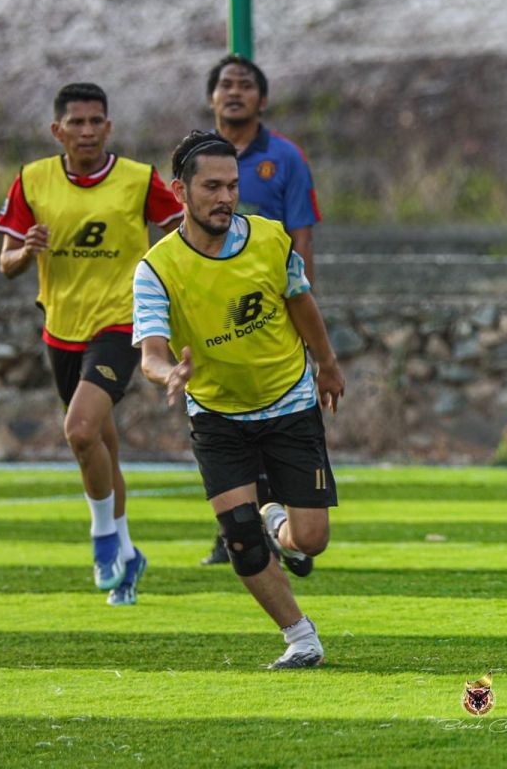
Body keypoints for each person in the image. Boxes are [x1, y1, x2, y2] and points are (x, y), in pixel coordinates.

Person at [134, 130, 344, 668]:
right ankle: (300, 637)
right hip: (217, 413)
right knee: (240, 539)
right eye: (212, 187)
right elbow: (152, 352)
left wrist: (328, 365)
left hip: (289, 402)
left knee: (312, 540)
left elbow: (302, 304)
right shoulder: (157, 268)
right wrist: (168, 375)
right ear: (180, 191)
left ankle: (280, 523)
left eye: (232, 185)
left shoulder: (271, 239)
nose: (225, 197)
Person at [0, 82, 182, 606]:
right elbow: (6, 263)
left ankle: (102, 539)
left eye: (96, 121)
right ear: (58, 130)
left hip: (121, 325)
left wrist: (166, 283)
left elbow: (182, 231)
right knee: (100, 447)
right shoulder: (32, 181)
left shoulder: (138, 179)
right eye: (75, 122)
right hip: (61, 328)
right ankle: (127, 556)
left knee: (79, 432)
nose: (86, 130)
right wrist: (24, 252)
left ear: (109, 127)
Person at [200, 54, 323, 566]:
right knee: (219, 416)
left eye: (244, 85)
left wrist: (306, 308)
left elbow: (301, 238)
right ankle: (238, 532)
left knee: (276, 416)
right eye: (225, 84)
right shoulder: (197, 160)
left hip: (269, 312)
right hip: (211, 315)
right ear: (212, 97)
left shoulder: (285, 158)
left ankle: (281, 525)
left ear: (262, 99)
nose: (234, 92)